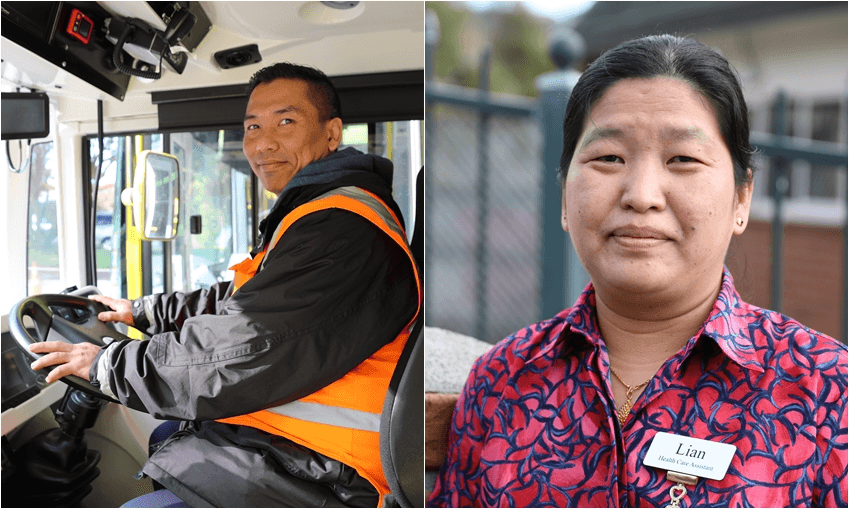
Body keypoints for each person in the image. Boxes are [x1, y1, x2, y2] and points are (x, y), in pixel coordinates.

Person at [428, 35, 846, 508]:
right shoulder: (500, 382)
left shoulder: (825, 391)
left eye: (682, 159)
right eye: (609, 158)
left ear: (742, 198)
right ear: (565, 195)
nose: (642, 194)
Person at [29, 62, 421, 507]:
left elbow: (245, 347)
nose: (263, 143)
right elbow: (245, 298)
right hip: (301, 443)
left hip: (335, 473)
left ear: (332, 134)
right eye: (253, 126)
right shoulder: (321, 210)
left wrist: (107, 364)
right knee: (166, 437)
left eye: (286, 122)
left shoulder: (342, 228)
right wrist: (143, 312)